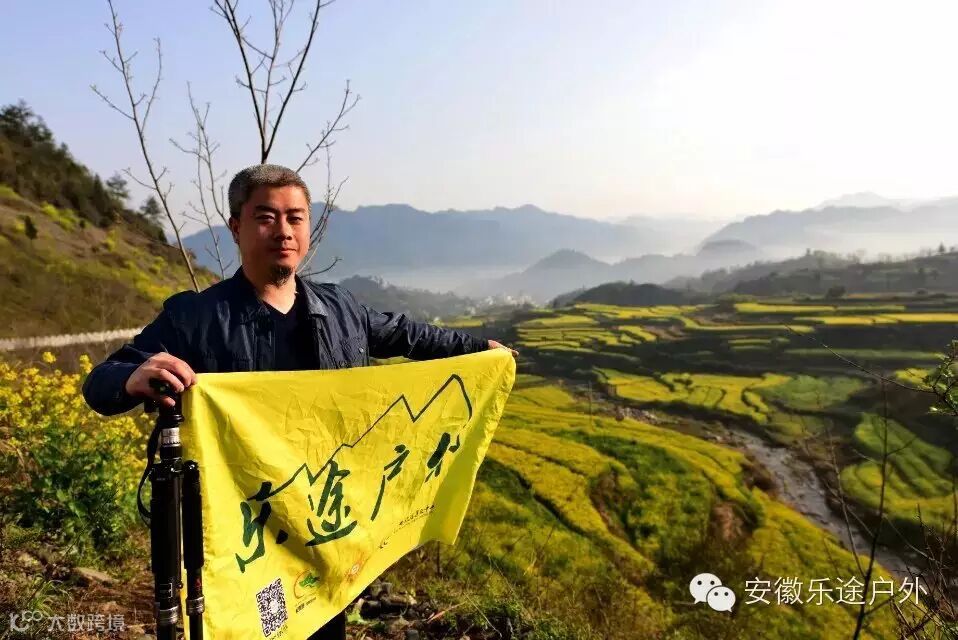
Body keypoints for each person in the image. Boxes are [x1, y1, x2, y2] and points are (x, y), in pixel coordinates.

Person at [82, 163, 518, 639]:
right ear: (236, 227)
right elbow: (101, 383)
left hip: (326, 525)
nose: (283, 231)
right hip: (247, 533)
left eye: (295, 217)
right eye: (265, 217)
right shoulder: (196, 317)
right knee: (255, 627)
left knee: (322, 621)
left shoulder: (340, 308)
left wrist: (480, 351)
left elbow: (407, 335)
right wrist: (134, 377)